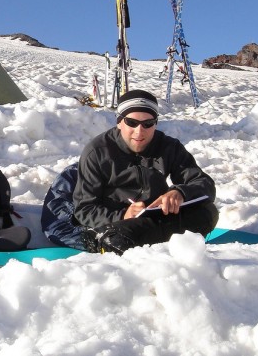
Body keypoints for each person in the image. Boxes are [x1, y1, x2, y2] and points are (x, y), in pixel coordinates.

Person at [73, 89, 218, 254]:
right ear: (119, 122)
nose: (139, 131)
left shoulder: (168, 146)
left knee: (209, 212)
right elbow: (84, 209)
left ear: (155, 123)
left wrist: (180, 193)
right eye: (131, 122)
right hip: (120, 225)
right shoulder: (97, 152)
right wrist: (123, 215)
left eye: (147, 124)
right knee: (118, 237)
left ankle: (150, 240)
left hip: (158, 218)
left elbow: (205, 184)